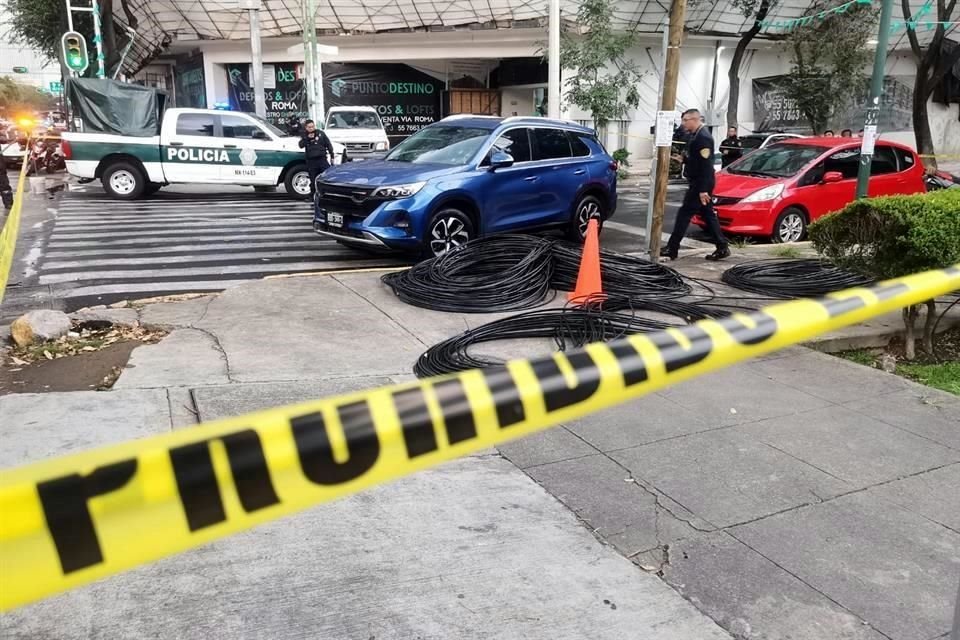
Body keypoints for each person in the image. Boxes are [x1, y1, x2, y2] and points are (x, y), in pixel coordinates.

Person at [662, 109, 729, 262]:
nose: (684, 123)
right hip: (699, 181)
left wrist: (703, 190)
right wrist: (684, 160)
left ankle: (672, 248)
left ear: (695, 119)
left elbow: (706, 165)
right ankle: (722, 246)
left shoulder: (703, 138)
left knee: (684, 214)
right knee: (708, 215)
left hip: (701, 183)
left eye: (686, 120)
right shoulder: (695, 135)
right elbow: (697, 159)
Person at [298, 119, 334, 194]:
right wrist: (307, 138)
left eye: (313, 126)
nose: (311, 128)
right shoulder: (304, 135)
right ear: (306, 128)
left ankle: (328, 193)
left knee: (327, 176)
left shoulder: (320, 133)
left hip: (322, 159)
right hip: (311, 161)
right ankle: (313, 196)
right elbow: (300, 145)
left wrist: (332, 155)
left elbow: (328, 144)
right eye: (309, 127)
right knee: (313, 179)